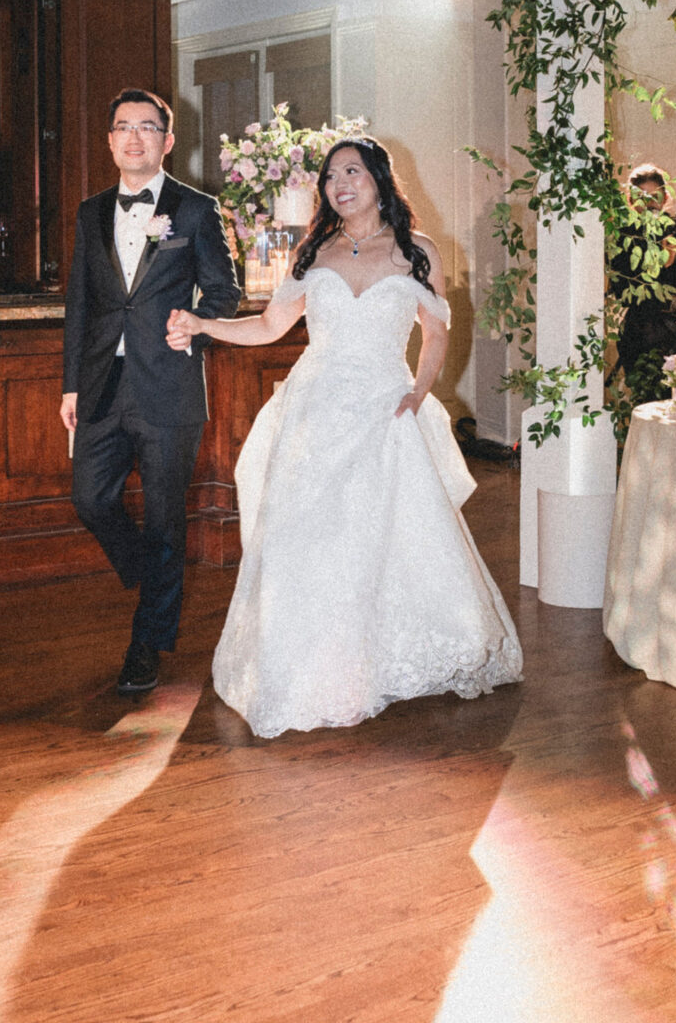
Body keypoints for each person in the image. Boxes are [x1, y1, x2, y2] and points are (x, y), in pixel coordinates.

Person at [167, 136, 522, 738]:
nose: (340, 184)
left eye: (352, 171)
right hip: (315, 410)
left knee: (387, 535)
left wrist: (418, 391)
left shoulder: (419, 252)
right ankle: (312, 669)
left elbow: (434, 335)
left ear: (379, 180)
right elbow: (269, 325)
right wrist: (205, 325)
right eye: (331, 176)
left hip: (385, 408)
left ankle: (383, 658)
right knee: (309, 538)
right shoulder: (313, 252)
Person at [61, 88, 240, 695]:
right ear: (109, 141)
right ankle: (142, 567)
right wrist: (70, 387)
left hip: (168, 387)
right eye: (121, 128)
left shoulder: (195, 211)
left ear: (167, 140)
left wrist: (196, 326)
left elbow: (224, 293)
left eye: (146, 127)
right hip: (101, 386)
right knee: (90, 499)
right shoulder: (89, 213)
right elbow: (79, 306)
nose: (133, 138)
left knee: (166, 521)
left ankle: (147, 644)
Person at [609, 163, 676, 405]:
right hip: (644, 336)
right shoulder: (624, 238)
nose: (649, 204)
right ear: (630, 199)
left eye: (654, 196)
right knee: (650, 406)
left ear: (665, 197)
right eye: (641, 197)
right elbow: (624, 293)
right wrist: (659, 266)